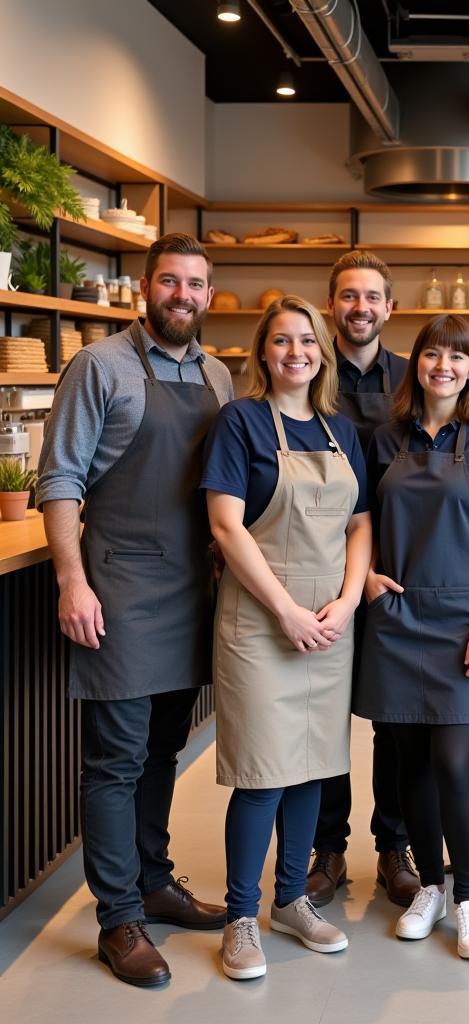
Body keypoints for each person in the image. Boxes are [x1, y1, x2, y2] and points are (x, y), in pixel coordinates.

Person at [37, 233, 232, 987]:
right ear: (145, 289)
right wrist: (71, 580)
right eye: (171, 282)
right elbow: (60, 480)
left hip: (191, 591)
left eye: (197, 284)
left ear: (209, 295)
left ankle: (155, 880)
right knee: (115, 761)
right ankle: (118, 917)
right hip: (116, 590)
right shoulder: (99, 366)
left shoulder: (216, 373)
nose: (184, 295)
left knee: (164, 750)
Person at [203, 295, 371, 979]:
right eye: (281, 341)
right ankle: (241, 916)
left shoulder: (341, 430)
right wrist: (285, 611)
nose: (296, 351)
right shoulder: (240, 422)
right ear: (262, 352)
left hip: (329, 621)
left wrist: (348, 601)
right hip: (261, 620)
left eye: (307, 340)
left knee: (313, 766)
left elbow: (360, 525)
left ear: (321, 354)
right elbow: (226, 526)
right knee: (262, 774)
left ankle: (292, 900)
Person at [353, 314, 469, 959]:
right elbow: (361, 520)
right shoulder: (383, 438)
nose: (443, 367)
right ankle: (429, 885)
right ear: (415, 364)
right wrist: (364, 578)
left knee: (455, 763)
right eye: (431, 355)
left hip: (462, 623)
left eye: (456, 358)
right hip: (396, 619)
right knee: (411, 768)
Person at [307, 250, 419, 910]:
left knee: (396, 721)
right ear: (331, 306)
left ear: (389, 308)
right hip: (320, 569)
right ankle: (328, 848)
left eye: (371, 297)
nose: (359, 308)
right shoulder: (305, 372)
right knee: (323, 717)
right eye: (348, 296)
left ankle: (394, 845)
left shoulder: (411, 379)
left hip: (395, 572)